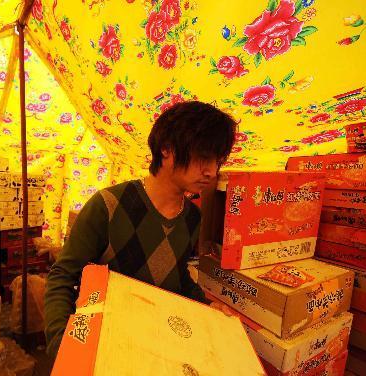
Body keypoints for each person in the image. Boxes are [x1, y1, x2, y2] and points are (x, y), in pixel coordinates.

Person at [43, 101, 237, 360]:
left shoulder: (192, 218)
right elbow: (62, 277)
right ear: (166, 150)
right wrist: (62, 347)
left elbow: (178, 277)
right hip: (104, 344)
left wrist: (207, 305)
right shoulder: (108, 206)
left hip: (155, 345)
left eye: (217, 160)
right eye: (204, 156)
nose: (212, 171)